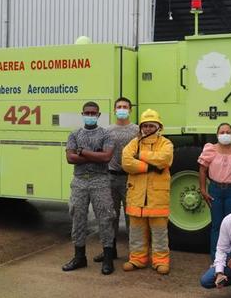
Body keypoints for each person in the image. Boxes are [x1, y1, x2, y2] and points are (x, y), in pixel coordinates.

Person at [62, 101, 116, 275]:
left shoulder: (106, 134)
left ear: (98, 115)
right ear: (82, 113)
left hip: (100, 180)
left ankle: (108, 258)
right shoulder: (74, 134)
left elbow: (106, 157)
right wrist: (95, 155)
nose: (90, 115)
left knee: (105, 217)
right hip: (79, 181)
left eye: (94, 113)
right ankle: (79, 257)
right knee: (77, 216)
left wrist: (82, 152)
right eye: (88, 113)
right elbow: (70, 158)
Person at [121, 109, 174, 275]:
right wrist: (149, 167)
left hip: (157, 198)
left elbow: (164, 159)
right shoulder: (133, 143)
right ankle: (137, 259)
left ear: (158, 127)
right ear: (141, 127)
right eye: (146, 125)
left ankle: (161, 261)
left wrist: (141, 155)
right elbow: (126, 162)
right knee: (136, 232)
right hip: (136, 197)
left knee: (159, 233)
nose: (149, 128)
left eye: (152, 125)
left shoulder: (166, 143)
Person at [93, 97, 139, 263]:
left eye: (125, 106)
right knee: (110, 217)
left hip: (130, 179)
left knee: (131, 219)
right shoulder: (107, 131)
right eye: (119, 106)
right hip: (111, 177)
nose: (122, 109)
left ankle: (135, 254)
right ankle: (109, 251)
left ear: (130, 110)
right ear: (114, 110)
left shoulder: (137, 130)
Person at [198, 123, 231, 259]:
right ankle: (216, 258)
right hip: (215, 190)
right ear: (217, 134)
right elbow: (202, 170)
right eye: (222, 132)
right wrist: (203, 190)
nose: (225, 134)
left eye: (228, 132)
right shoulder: (210, 149)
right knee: (217, 225)